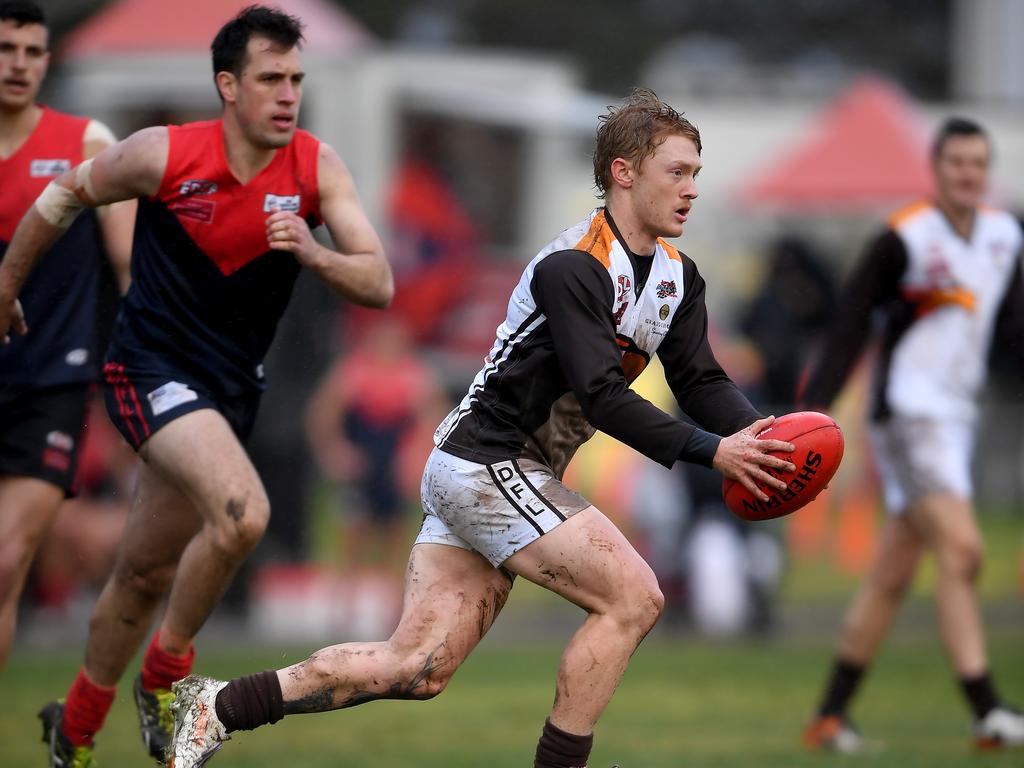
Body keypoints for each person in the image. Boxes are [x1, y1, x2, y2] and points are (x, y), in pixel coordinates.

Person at [167, 88, 796, 768]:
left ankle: (215, 707)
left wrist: (760, 433)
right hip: (488, 465)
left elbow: (701, 379)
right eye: (678, 171)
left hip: (490, 473)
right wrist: (714, 453)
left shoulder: (678, 277)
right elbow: (605, 397)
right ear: (624, 171)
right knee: (634, 597)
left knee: (416, 667)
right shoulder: (574, 266)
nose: (692, 188)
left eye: (696, 173)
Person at [0, 5, 392, 766]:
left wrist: (313, 255)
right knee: (244, 515)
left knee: (145, 571)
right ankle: (166, 683)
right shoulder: (163, 155)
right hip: (146, 373)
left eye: (297, 79)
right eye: (270, 79)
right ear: (227, 86)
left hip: (227, 393)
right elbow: (63, 198)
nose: (288, 94)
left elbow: (377, 281)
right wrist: (8, 283)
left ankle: (74, 732)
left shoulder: (315, 167)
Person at [800, 117, 1024, 752]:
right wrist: (813, 411)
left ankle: (829, 716)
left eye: (978, 163)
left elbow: (1013, 327)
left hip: (956, 417)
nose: (968, 173)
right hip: (907, 415)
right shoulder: (904, 239)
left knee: (894, 574)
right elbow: (849, 325)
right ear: (937, 168)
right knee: (965, 551)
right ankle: (987, 710)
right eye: (957, 162)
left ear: (987, 169)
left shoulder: (1005, 234)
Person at [0, 0, 134, 673]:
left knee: (3, 564)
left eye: (32, 50)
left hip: (50, 383)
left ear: (47, 58)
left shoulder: (85, 144)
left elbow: (128, 262)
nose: (19, 64)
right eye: (6, 49)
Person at [305, 316, 444, 634]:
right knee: (353, 542)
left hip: (392, 469)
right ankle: (341, 619)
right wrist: (334, 451)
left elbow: (433, 419)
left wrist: (416, 459)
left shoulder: (413, 375)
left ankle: (393, 620)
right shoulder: (354, 371)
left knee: (397, 545)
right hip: (362, 469)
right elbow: (323, 413)